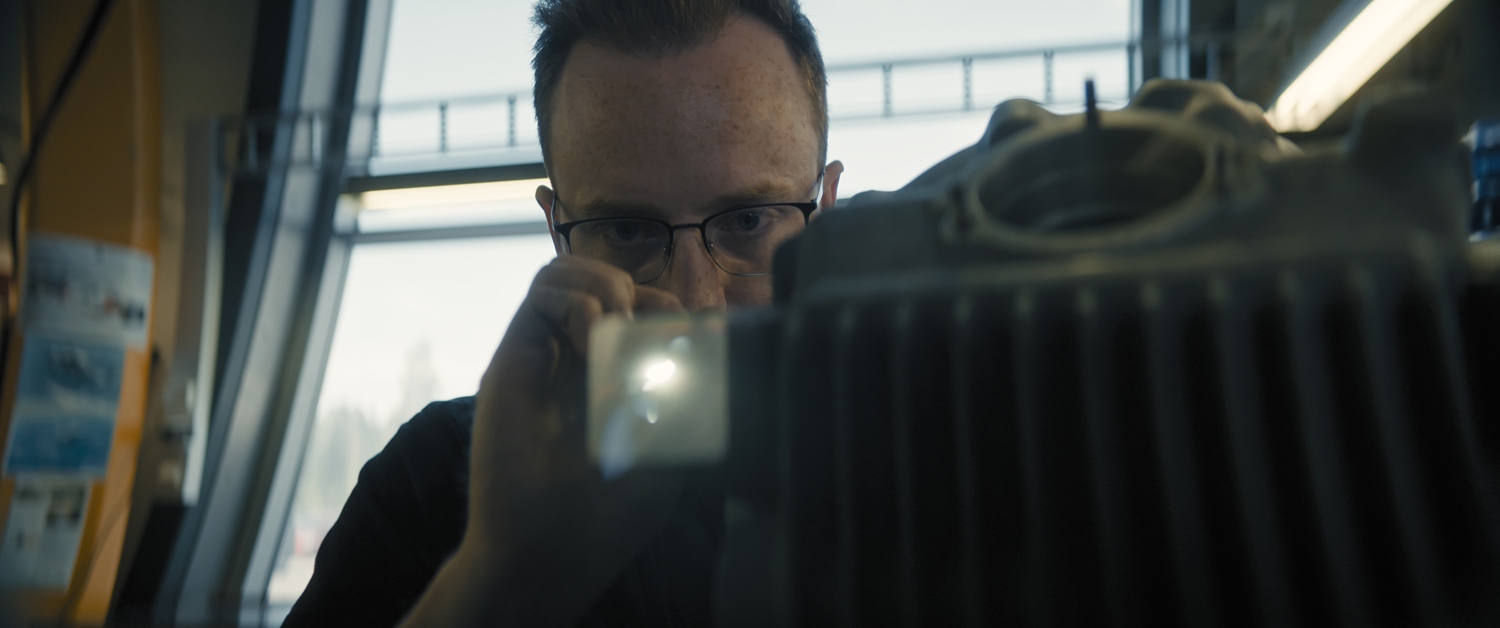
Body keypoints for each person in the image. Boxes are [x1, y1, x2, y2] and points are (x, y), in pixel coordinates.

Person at [280, 0, 843, 625]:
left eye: (749, 221)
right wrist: (497, 574)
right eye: (628, 229)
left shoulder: (927, 456)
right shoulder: (433, 487)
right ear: (558, 229)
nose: (695, 303)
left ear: (828, 207)